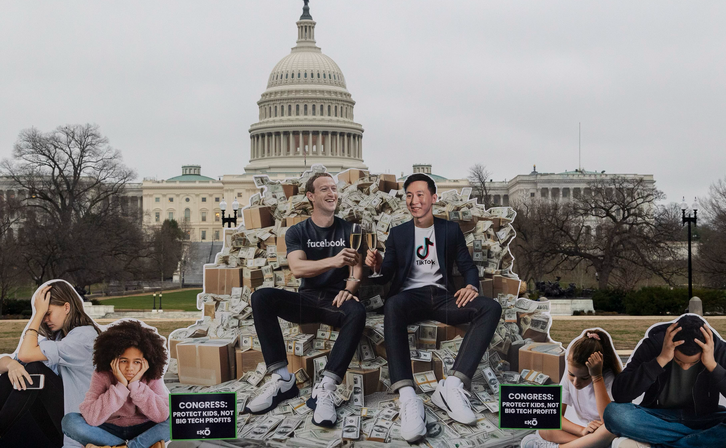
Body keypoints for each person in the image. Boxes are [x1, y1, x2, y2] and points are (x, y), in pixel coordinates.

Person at [365, 173, 502, 443]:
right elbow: (387, 274)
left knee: (491, 308)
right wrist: (377, 265)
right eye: (409, 196)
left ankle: (452, 386)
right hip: (409, 297)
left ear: (433, 198)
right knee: (392, 305)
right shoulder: (399, 233)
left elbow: (467, 266)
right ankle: (407, 396)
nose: (413, 201)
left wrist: (471, 286)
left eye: (420, 195)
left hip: (442, 297)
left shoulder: (449, 231)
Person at [244, 172, 366, 428]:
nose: (332, 193)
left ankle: (326, 387)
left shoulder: (350, 229)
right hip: (307, 300)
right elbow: (298, 268)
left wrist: (351, 288)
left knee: (357, 310)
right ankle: (282, 379)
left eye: (334, 188)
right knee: (261, 297)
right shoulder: (297, 231)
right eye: (325, 189)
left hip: (336, 301)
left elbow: (356, 268)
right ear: (311, 196)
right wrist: (333, 261)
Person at [0, 280, 100, 448]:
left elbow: (26, 356)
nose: (45, 320)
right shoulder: (59, 339)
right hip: (59, 423)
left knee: (33, 370)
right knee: (13, 372)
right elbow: (6, 364)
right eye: (43, 315)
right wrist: (12, 365)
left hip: (78, 428)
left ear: (66, 307)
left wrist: (37, 314)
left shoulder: (84, 337)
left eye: (47, 313)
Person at [605, 314, 726, 448]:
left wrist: (712, 365)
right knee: (614, 413)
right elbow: (621, 394)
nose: (685, 367)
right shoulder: (654, 345)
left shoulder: (721, 351)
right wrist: (661, 359)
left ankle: (661, 445)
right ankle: (700, 442)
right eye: (679, 361)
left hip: (704, 418)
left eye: (693, 362)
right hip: (658, 417)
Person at [62, 319, 169, 448]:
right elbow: (91, 418)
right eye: (124, 361)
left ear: (146, 361)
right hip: (109, 429)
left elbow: (162, 415)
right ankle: (137, 446)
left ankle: (128, 447)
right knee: (70, 421)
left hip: (144, 429)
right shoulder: (102, 374)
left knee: (177, 418)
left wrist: (135, 385)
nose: (130, 367)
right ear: (112, 359)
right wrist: (121, 387)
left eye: (136, 362)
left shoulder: (151, 375)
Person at [521, 328, 621, 448]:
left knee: (608, 430)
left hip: (603, 430)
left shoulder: (609, 378)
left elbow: (608, 421)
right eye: (572, 375)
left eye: (584, 378)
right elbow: (555, 415)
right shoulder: (570, 375)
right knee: (544, 424)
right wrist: (582, 431)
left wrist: (597, 377)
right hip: (588, 433)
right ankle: (588, 444)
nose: (576, 382)